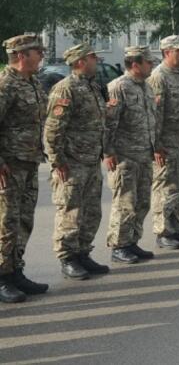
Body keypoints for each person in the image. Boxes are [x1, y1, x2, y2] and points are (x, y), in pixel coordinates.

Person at [44, 44, 110, 280]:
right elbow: (53, 129)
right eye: (93, 57)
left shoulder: (92, 86)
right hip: (72, 163)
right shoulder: (65, 89)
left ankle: (83, 252)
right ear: (80, 61)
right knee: (70, 211)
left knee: (91, 212)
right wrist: (57, 160)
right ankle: (68, 257)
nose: (97, 60)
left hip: (91, 160)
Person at [0, 34, 49, 302]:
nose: (41, 55)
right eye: (36, 51)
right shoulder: (5, 84)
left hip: (28, 162)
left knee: (23, 221)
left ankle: (15, 271)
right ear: (20, 55)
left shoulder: (31, 83)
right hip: (9, 166)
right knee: (6, 223)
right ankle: (2, 278)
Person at [103, 46, 157, 265]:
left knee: (142, 201)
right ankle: (119, 245)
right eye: (148, 62)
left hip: (144, 153)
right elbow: (108, 124)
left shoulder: (145, 87)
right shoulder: (118, 87)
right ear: (135, 64)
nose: (152, 65)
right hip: (125, 156)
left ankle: (132, 240)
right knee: (124, 202)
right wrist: (108, 152)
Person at [147, 35, 179, 250]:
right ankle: (163, 232)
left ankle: (176, 229)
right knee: (166, 189)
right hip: (166, 144)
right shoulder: (159, 77)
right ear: (167, 52)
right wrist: (156, 145)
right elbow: (154, 115)